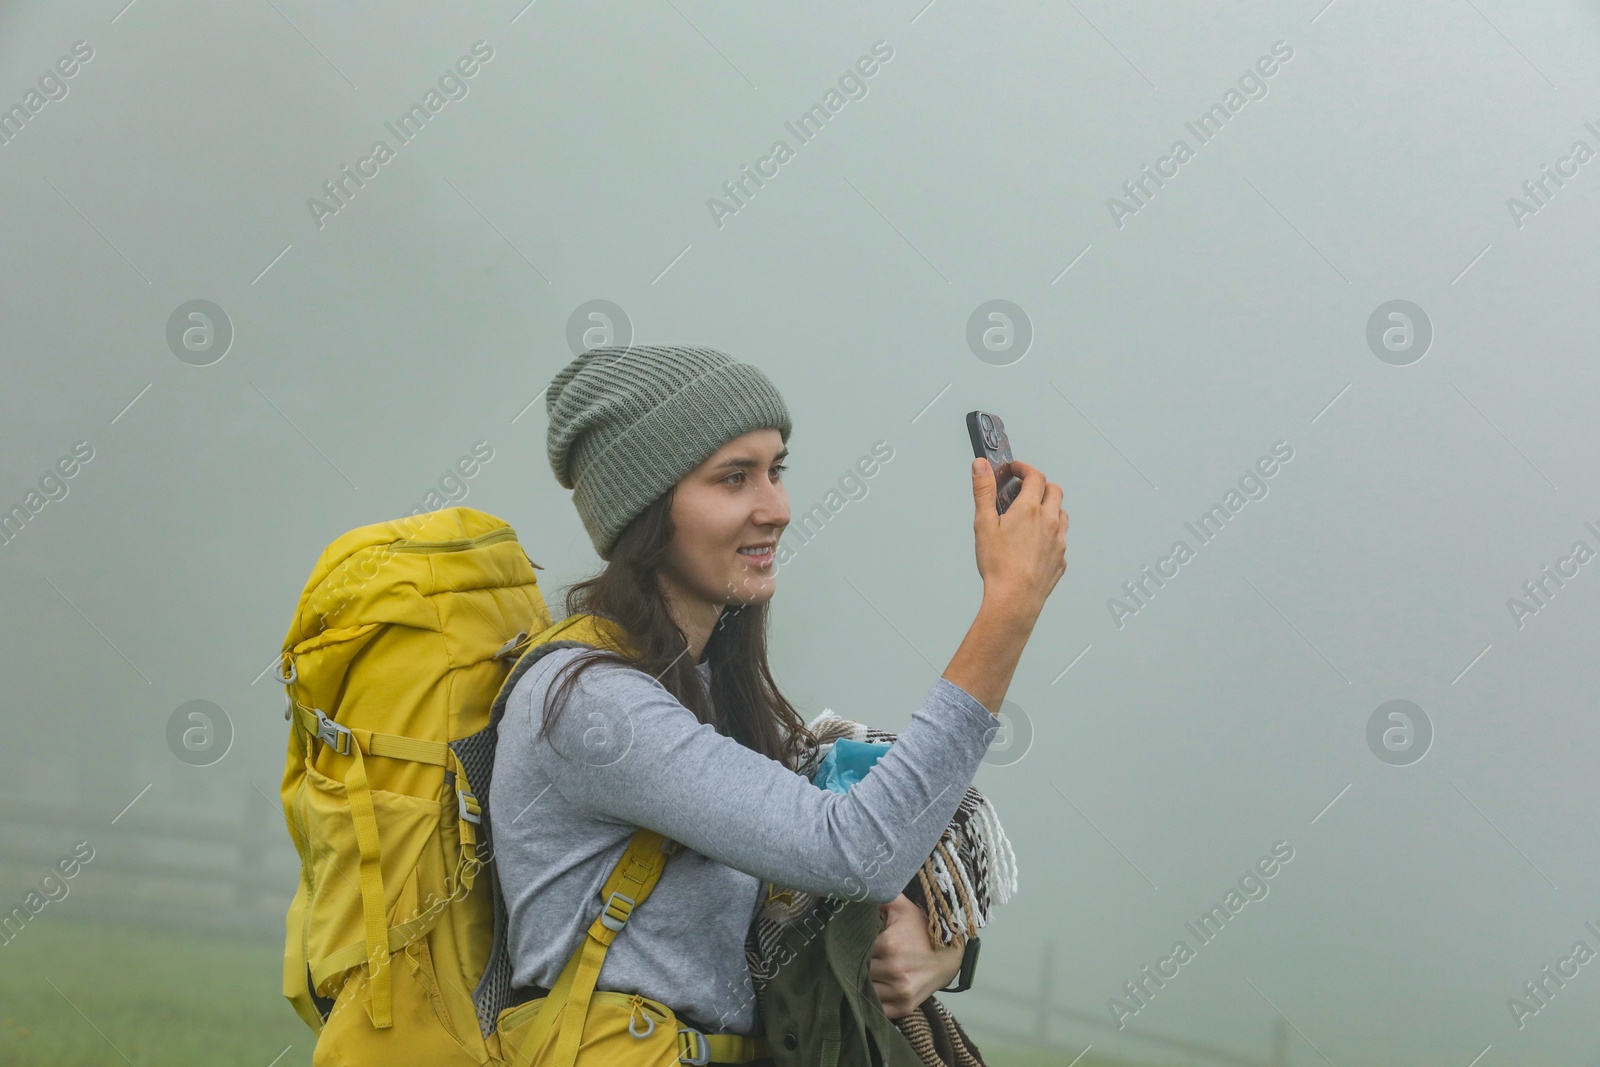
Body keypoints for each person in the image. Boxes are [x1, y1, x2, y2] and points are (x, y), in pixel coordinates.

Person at [489, 344, 1068, 1053]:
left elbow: (819, 877)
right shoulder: (595, 705)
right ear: (643, 508)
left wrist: (937, 946)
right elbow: (856, 847)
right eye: (734, 478)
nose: (778, 507)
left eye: (775, 469)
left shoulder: (695, 688)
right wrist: (1008, 607)